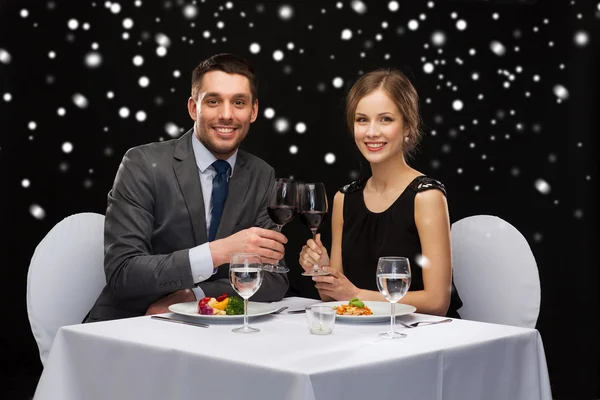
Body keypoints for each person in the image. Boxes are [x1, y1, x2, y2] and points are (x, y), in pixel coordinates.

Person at [85, 53, 289, 322]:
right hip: (132, 326)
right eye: (213, 101)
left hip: (215, 335)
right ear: (194, 108)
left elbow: (274, 279)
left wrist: (197, 294)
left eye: (238, 102)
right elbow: (123, 273)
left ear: (253, 111)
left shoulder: (262, 175)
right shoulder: (143, 163)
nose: (227, 115)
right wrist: (219, 252)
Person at [298, 69, 462, 317]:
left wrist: (355, 295)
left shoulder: (426, 196)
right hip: (362, 335)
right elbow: (331, 297)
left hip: (420, 336)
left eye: (385, 119)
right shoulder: (344, 198)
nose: (371, 132)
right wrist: (323, 270)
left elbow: (438, 302)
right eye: (362, 120)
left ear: (407, 126)